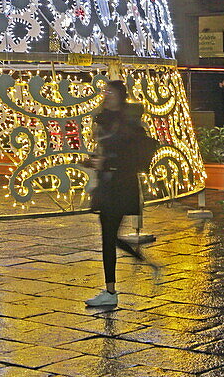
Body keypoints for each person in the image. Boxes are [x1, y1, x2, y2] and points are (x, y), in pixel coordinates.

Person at [84, 80, 159, 308]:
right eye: (105, 91)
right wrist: (96, 161)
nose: (107, 95)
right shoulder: (104, 119)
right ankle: (119, 282)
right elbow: (105, 152)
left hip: (120, 185)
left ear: (120, 95)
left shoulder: (128, 123)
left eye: (111, 92)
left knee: (109, 237)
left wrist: (106, 162)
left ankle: (112, 290)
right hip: (107, 185)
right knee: (109, 237)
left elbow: (128, 155)